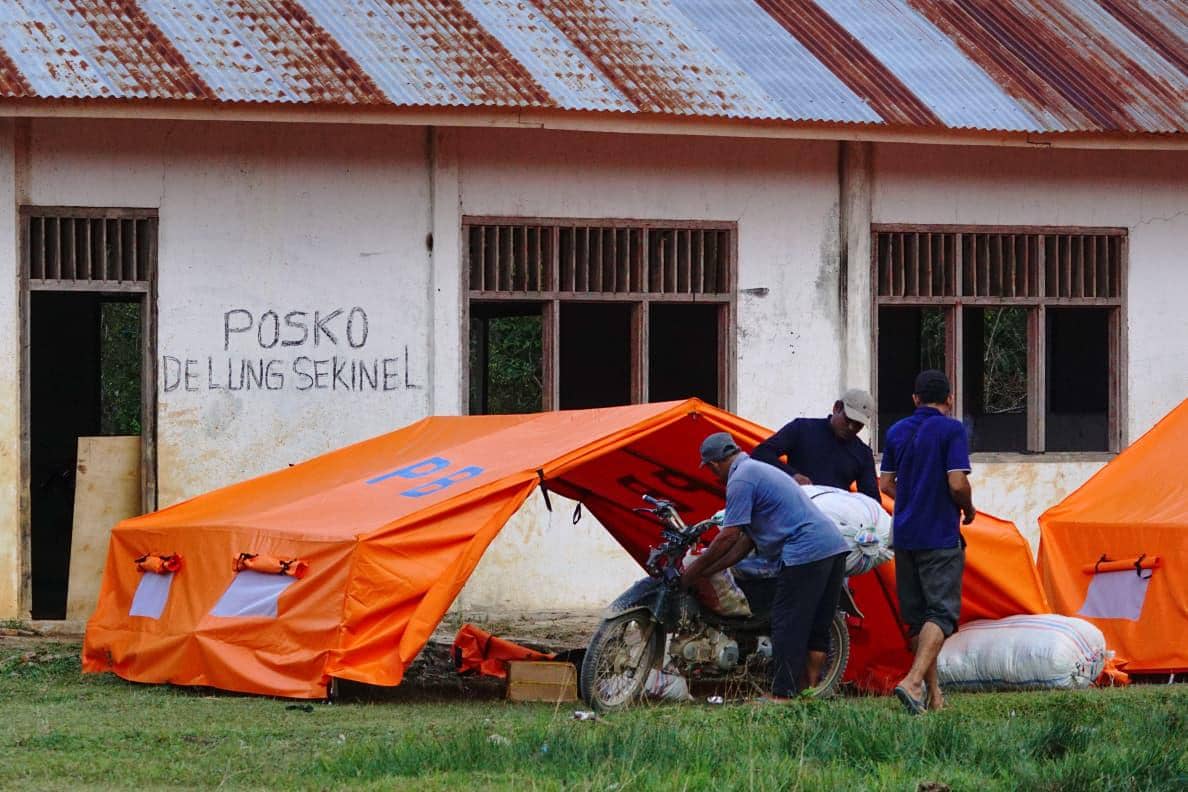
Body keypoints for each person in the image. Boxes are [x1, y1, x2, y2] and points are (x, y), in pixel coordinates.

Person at [683, 432, 849, 699]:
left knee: (786, 622)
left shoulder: (741, 478)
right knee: (818, 624)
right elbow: (745, 542)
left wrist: (692, 571)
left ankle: (783, 694)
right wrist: (711, 569)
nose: (714, 476)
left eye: (711, 470)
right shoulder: (757, 470)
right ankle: (810, 693)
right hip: (834, 546)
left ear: (714, 464)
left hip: (806, 551)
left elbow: (728, 535)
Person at [878, 369, 975, 715]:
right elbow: (957, 483)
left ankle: (933, 696)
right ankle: (913, 681)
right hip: (939, 535)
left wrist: (913, 498)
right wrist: (968, 509)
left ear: (915, 399)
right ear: (949, 399)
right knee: (942, 614)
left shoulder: (896, 431)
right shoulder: (951, 430)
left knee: (918, 620)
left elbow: (885, 483)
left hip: (904, 536)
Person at [751, 389, 880, 500]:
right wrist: (792, 475)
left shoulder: (863, 454)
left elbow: (871, 500)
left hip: (834, 515)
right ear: (837, 408)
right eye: (848, 420)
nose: (851, 427)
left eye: (858, 425)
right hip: (794, 506)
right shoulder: (802, 429)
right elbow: (761, 453)